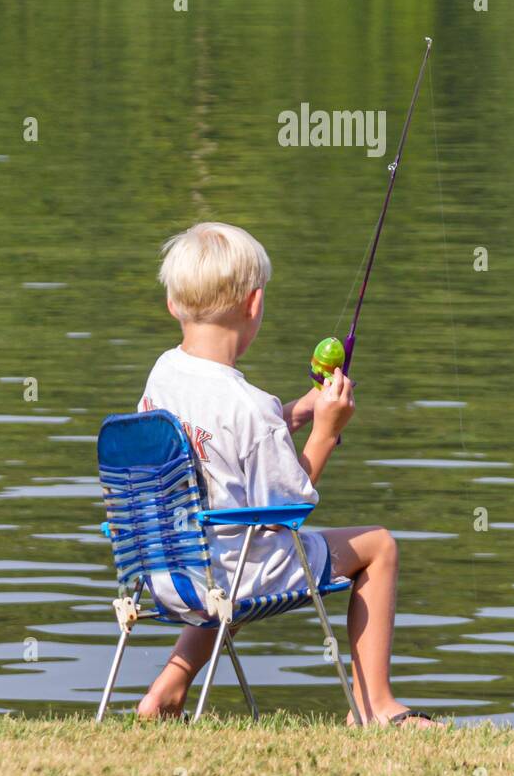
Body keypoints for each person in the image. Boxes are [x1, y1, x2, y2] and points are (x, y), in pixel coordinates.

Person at [136, 220, 434, 728]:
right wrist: (324, 433)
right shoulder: (247, 407)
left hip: (165, 570)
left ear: (173, 304)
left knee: (222, 539)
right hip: (234, 576)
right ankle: (375, 705)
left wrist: (299, 412)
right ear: (254, 304)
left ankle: (168, 688)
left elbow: (222, 443)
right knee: (379, 547)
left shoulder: (163, 375)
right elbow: (284, 514)